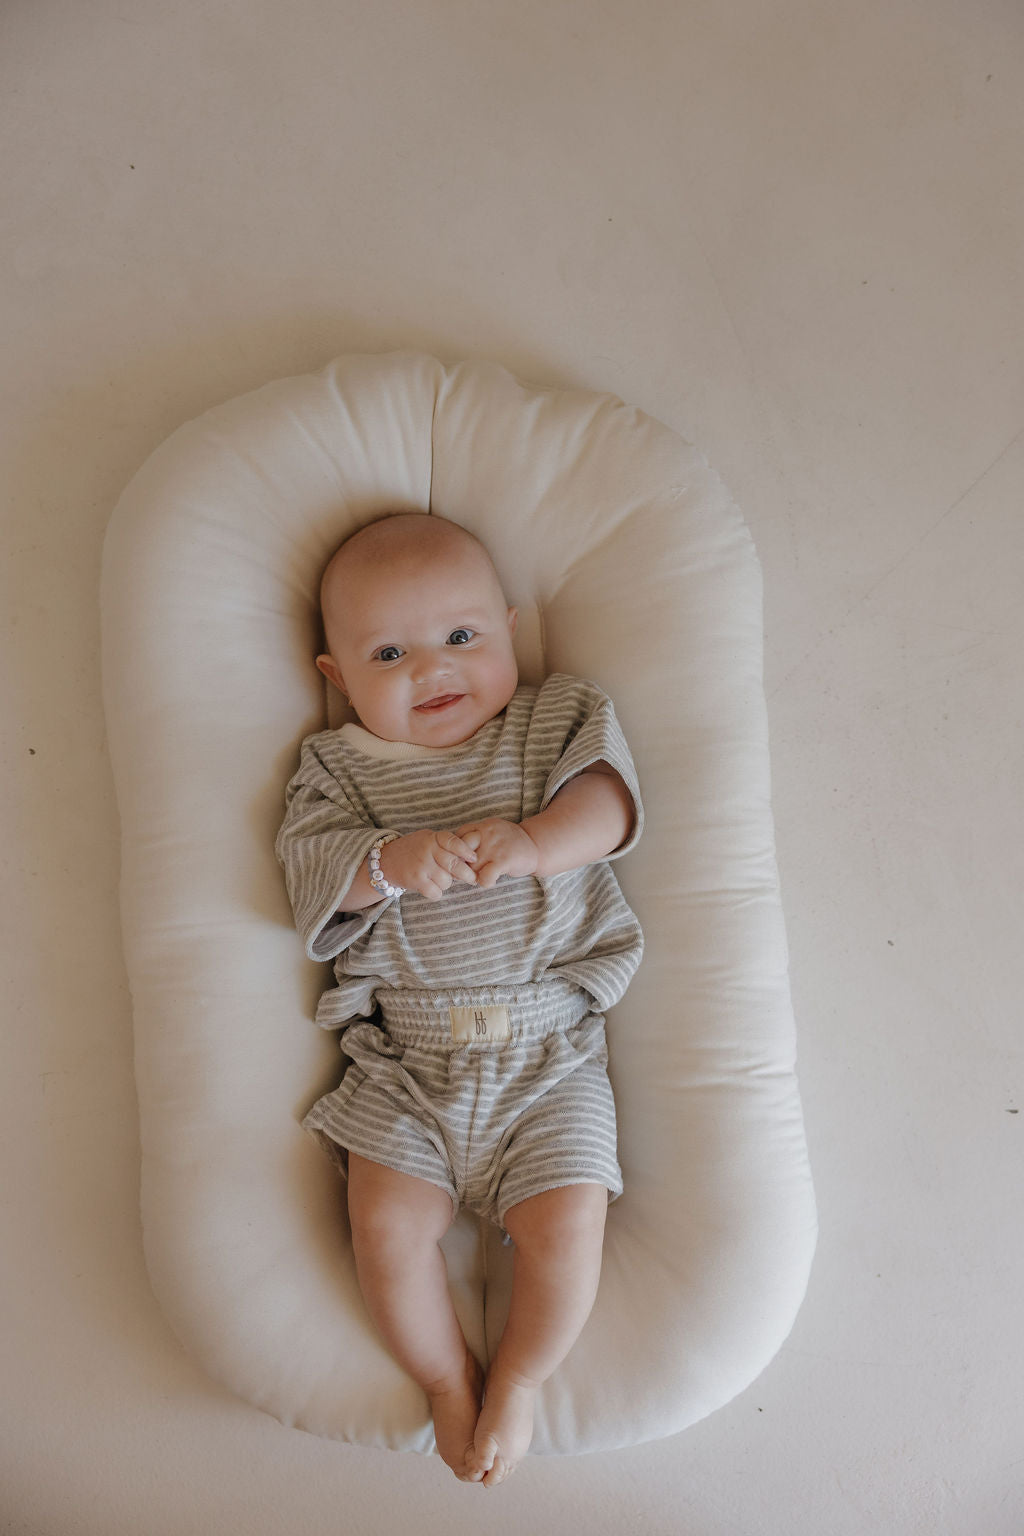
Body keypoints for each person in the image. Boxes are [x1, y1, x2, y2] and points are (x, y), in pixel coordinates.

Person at [276, 512, 643, 1486]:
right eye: (389, 652)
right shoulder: (339, 769)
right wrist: (385, 864)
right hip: (406, 1066)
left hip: (549, 1058)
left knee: (568, 1219)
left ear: (511, 629)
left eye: (462, 638)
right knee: (385, 1228)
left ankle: (518, 1378)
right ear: (336, 677)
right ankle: (446, 1380)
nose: (431, 670)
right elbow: (311, 881)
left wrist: (537, 843)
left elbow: (609, 809)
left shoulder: (551, 718)